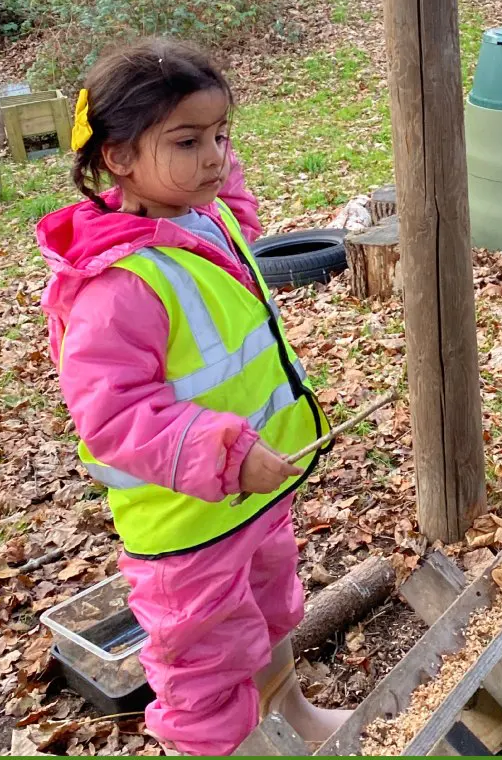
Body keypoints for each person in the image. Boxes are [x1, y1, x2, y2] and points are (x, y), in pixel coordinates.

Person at [37, 39, 351, 754]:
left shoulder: (206, 219)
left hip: (254, 496)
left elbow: (234, 194)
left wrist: (206, 150)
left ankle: (290, 716)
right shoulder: (118, 285)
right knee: (205, 666)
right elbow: (113, 416)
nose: (213, 156)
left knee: (270, 615)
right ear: (118, 158)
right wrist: (229, 455)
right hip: (187, 523)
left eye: (221, 135)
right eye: (187, 140)